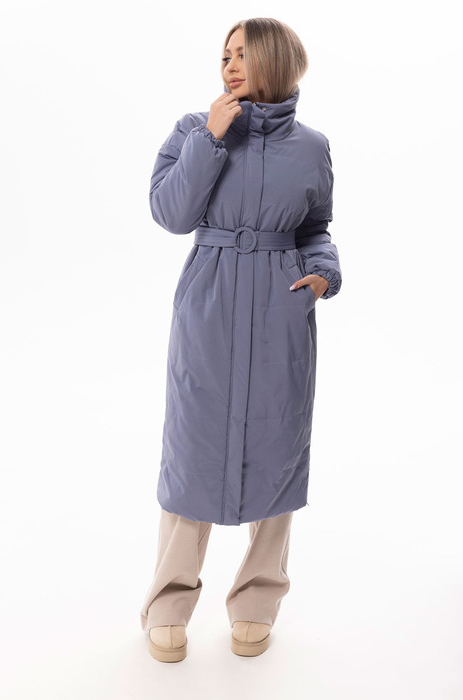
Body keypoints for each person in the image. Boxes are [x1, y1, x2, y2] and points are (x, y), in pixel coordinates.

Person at [140, 17, 342, 662]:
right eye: (224, 56)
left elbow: (316, 226)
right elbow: (171, 214)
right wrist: (211, 137)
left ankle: (257, 603)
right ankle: (168, 605)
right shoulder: (193, 130)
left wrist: (324, 274)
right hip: (210, 305)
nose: (229, 66)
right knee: (193, 451)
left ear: (276, 61)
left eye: (243, 55)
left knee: (279, 452)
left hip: (282, 309)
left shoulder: (312, 147)